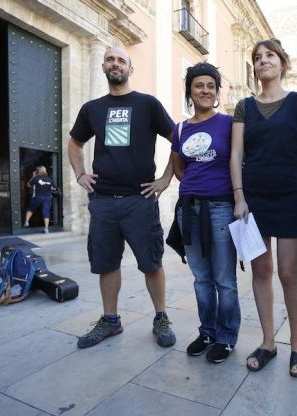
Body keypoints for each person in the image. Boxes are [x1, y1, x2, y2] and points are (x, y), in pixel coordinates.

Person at [68, 47, 176, 349]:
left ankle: (161, 317)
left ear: (131, 68)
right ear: (103, 66)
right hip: (102, 201)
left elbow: (178, 139)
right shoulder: (92, 108)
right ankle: (110, 320)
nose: (115, 64)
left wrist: (166, 179)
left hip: (139, 199)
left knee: (151, 262)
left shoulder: (147, 104)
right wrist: (80, 174)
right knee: (106, 263)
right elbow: (75, 143)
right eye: (111, 60)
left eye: (121, 60)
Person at [230, 39, 297, 377]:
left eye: (270, 56)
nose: (263, 61)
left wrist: (286, 162)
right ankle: (268, 342)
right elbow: (236, 154)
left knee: (288, 272)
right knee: (261, 271)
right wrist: (239, 195)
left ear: (282, 62)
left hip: (290, 195)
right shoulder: (244, 107)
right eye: (257, 57)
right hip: (253, 197)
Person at [171, 63, 241, 363]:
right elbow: (177, 166)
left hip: (222, 207)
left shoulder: (228, 123)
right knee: (201, 278)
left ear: (216, 91)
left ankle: (226, 337)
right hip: (189, 208)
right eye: (198, 85)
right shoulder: (181, 128)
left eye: (210, 86)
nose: (205, 90)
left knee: (224, 279)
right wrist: (192, 186)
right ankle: (207, 332)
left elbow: (239, 160)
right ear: (190, 90)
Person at [24, 165, 56, 234]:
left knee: (30, 209)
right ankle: (46, 229)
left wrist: (33, 176)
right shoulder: (50, 179)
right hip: (47, 198)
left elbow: (28, 185)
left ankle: (27, 221)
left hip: (37, 197)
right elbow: (54, 188)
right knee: (46, 212)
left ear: (38, 171)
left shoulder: (36, 178)